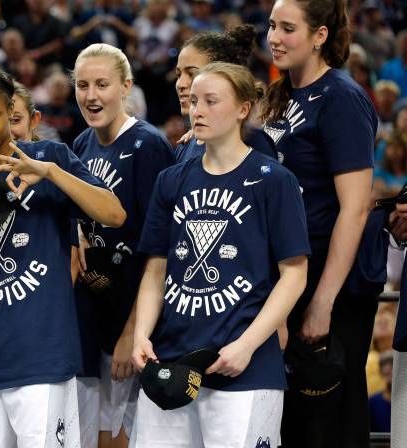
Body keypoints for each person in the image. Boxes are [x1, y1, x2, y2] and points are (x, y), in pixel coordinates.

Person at [0, 64, 126, 448]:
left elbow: (114, 214)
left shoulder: (49, 156)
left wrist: (52, 173)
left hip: (42, 354)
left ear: (10, 113)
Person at [130, 61, 310, 448]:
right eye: (194, 101)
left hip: (244, 368)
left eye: (211, 101)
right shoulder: (171, 179)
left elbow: (295, 273)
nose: (198, 111)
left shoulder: (274, 179)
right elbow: (156, 270)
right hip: (170, 363)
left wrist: (246, 346)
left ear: (243, 108)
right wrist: (141, 334)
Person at [262, 0, 378, 446]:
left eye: (287, 28)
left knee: (327, 424)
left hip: (329, 282)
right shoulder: (283, 92)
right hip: (285, 276)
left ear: (320, 35)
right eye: (271, 25)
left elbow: (354, 208)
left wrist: (323, 303)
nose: (273, 37)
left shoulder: (342, 98)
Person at [70, 42, 175, 448]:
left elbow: (159, 250)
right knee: (95, 432)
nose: (91, 96)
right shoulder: (81, 145)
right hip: (97, 311)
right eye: (82, 85)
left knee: (119, 435)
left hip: (134, 320)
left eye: (102, 84)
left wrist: (132, 332)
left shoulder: (148, 146)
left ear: (126, 86)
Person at [173, 24, 277, 163]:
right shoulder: (184, 147)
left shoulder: (253, 143)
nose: (180, 84)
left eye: (192, 74)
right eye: (179, 74)